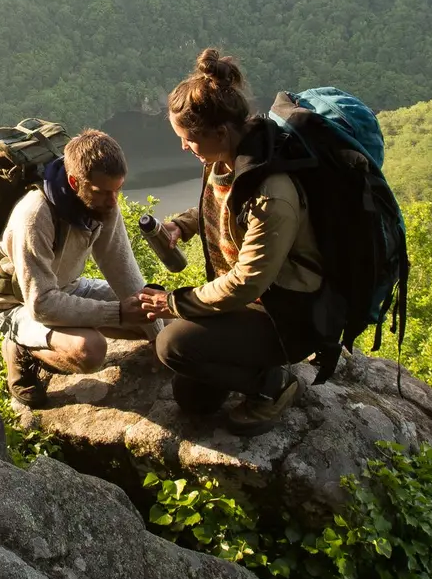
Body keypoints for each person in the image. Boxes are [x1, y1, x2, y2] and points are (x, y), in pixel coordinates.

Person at [139, 49, 324, 435]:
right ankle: (253, 367)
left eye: (188, 139)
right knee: (194, 400)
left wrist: (175, 303)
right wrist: (183, 225)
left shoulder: (272, 193)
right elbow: (222, 205)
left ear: (219, 132)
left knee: (173, 345)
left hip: (284, 315)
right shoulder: (221, 158)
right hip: (249, 305)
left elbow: (247, 282)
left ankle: (275, 385)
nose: (183, 147)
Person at [0, 129, 161, 409]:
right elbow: (41, 304)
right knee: (90, 351)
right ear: (75, 181)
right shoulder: (35, 216)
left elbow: (121, 268)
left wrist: (156, 336)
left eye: (118, 189)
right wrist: (116, 313)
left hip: (67, 287)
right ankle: (21, 349)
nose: (113, 201)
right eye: (103, 192)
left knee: (161, 314)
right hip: (17, 303)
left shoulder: (103, 205)